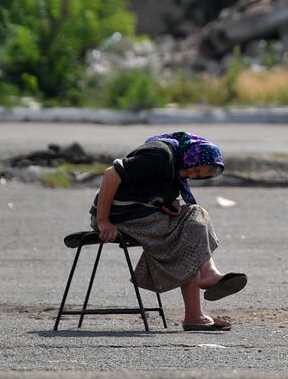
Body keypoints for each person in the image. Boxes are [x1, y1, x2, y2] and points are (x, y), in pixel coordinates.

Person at [91, 131, 247, 332]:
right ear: (193, 155)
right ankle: (204, 286)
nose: (194, 175)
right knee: (190, 225)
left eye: (199, 177)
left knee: (192, 223)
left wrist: (166, 204)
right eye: (197, 170)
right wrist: (104, 221)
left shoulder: (177, 169)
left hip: (140, 215)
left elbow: (147, 190)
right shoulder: (160, 155)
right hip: (118, 216)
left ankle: (196, 311)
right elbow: (111, 174)